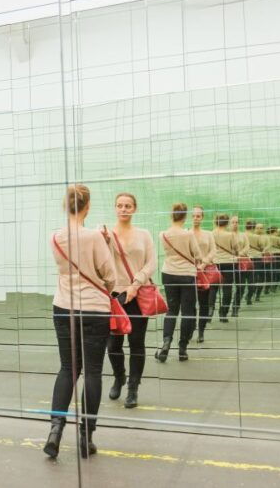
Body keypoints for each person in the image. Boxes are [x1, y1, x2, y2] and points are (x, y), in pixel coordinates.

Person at [44, 184, 116, 460]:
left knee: (67, 368)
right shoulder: (94, 237)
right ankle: (86, 436)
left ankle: (55, 431)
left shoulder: (55, 237)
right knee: (93, 371)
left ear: (66, 205)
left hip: (63, 307)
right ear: (87, 207)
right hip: (94, 310)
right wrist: (105, 244)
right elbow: (109, 276)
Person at [104, 193, 156, 409]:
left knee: (136, 343)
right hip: (114, 296)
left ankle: (133, 388)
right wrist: (105, 241)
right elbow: (102, 263)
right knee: (113, 344)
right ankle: (119, 377)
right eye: (119, 205)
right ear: (115, 208)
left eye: (127, 206)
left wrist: (136, 284)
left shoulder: (144, 235)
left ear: (134, 209)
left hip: (138, 294)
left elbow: (151, 262)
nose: (123, 209)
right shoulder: (106, 234)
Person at [157, 203, 202, 363]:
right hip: (187, 275)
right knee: (187, 312)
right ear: (184, 216)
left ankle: (166, 342)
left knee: (171, 310)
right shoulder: (188, 234)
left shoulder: (162, 234)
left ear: (172, 215)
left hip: (168, 273)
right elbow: (197, 254)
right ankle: (182, 348)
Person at [192, 206, 216, 339]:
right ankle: (191, 327)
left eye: (198, 216)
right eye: (193, 216)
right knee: (189, 303)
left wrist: (204, 263)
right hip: (190, 272)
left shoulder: (208, 234)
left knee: (203, 303)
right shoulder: (186, 233)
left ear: (202, 218)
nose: (195, 218)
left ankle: (201, 330)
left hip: (204, 272)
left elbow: (213, 250)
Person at [212, 214, 239, 326]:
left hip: (215, 263)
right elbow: (236, 248)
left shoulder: (211, 234)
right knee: (227, 289)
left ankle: (208, 313)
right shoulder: (230, 235)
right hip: (229, 263)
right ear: (227, 223)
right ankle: (223, 313)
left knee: (213, 289)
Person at [231, 216, 252, 314]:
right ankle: (224, 308)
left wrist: (241, 253)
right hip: (230, 262)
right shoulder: (227, 235)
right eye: (233, 222)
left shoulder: (243, 235)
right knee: (228, 287)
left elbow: (247, 246)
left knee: (241, 286)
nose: (235, 224)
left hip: (242, 263)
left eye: (237, 222)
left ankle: (235, 307)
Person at [247, 221, 266, 302]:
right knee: (254, 278)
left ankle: (255, 295)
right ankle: (251, 295)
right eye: (257, 228)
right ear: (254, 228)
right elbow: (263, 247)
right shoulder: (254, 237)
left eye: (261, 228)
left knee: (259, 278)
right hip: (256, 258)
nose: (259, 230)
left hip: (258, 259)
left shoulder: (265, 237)